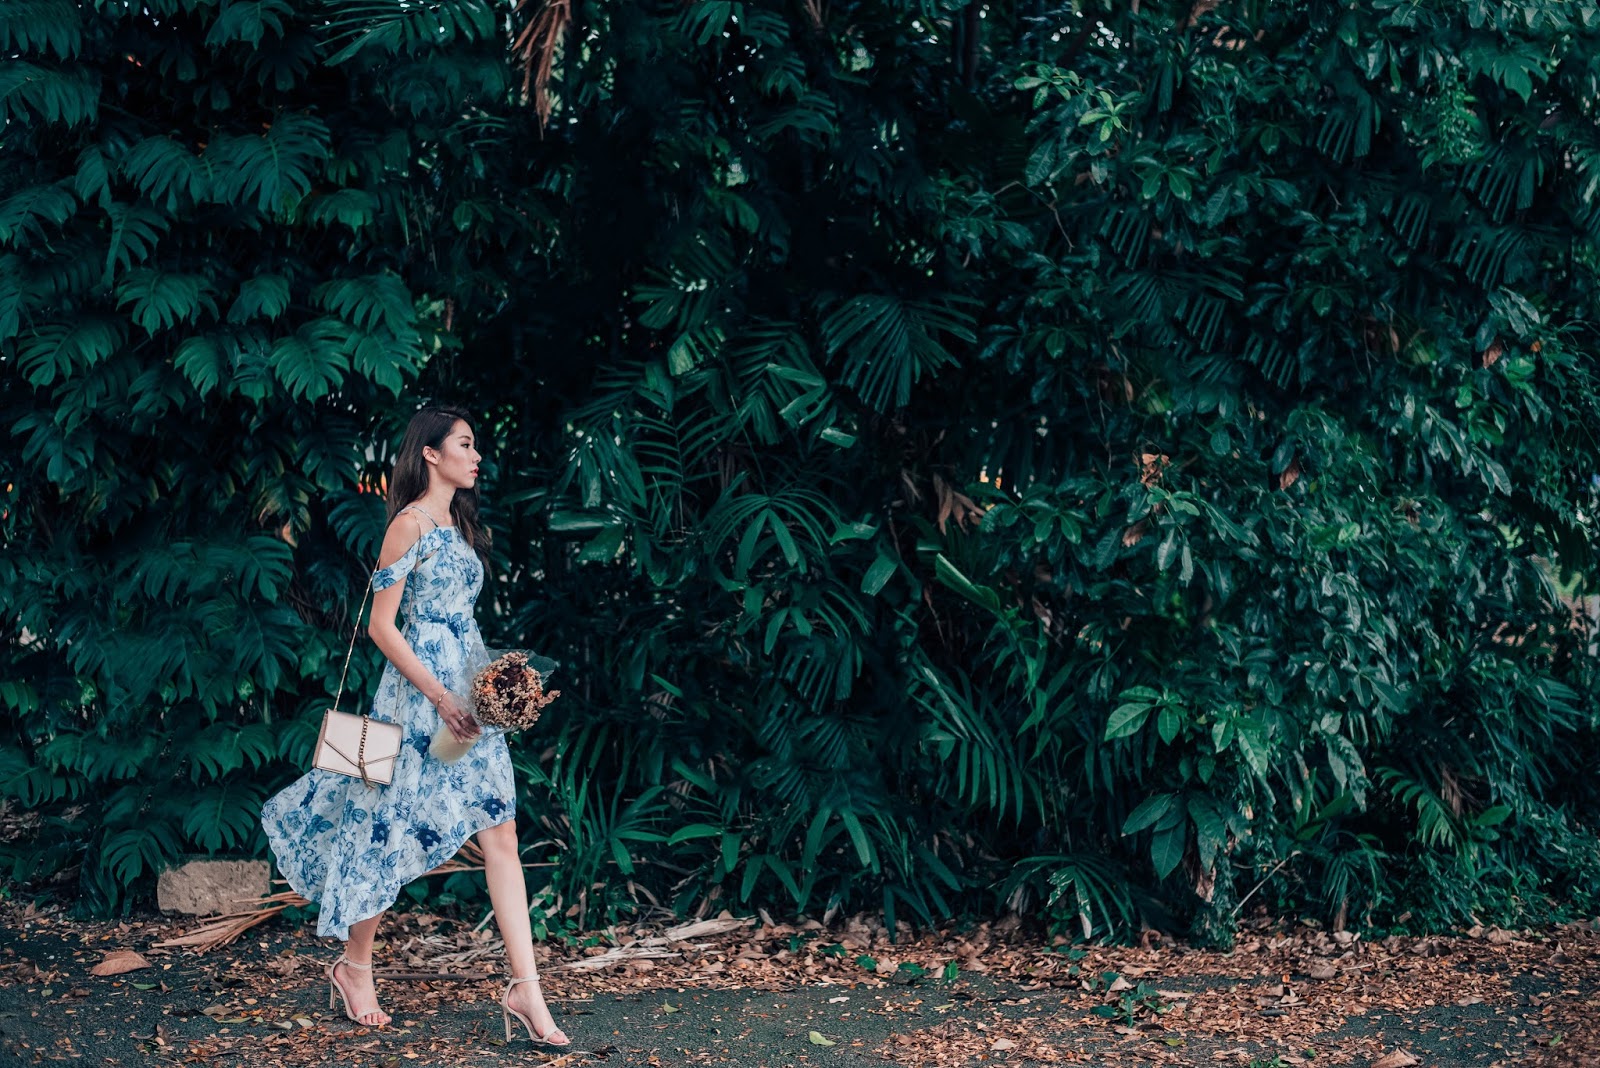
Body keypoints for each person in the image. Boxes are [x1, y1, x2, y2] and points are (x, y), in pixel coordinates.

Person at [260, 405, 570, 1046]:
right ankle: (355, 967)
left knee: (502, 829)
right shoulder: (408, 524)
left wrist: (496, 686)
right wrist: (439, 695)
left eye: (475, 446)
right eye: (465, 444)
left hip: (469, 696)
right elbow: (382, 626)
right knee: (383, 825)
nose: (477, 456)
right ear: (430, 453)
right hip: (418, 695)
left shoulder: (461, 525)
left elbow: (462, 624)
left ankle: (526, 988)